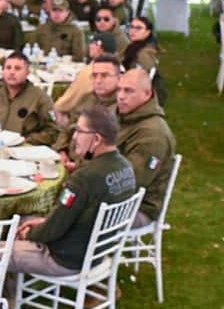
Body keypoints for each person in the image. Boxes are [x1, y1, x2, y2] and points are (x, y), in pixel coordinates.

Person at [11, 106, 137, 276]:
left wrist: (30, 234)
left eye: (79, 131)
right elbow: (62, 220)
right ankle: (10, 290)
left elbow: (54, 229)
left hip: (64, 259)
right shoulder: (126, 167)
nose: (75, 137)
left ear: (97, 139)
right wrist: (42, 223)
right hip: (94, 253)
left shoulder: (83, 179)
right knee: (24, 220)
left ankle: (3, 296)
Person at [115, 68, 177, 226]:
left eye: (129, 91)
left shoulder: (154, 135)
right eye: (119, 90)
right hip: (113, 193)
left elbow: (129, 183)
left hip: (138, 207)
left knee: (73, 212)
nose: (121, 96)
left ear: (147, 94)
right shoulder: (121, 116)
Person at [0, 52, 59, 145]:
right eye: (8, 68)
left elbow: (54, 132)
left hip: (24, 149)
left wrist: (27, 139)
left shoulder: (40, 97)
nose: (11, 72)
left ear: (28, 72)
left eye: (17, 68)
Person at [54, 53, 120, 163]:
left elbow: (110, 154)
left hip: (92, 169)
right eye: (94, 75)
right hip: (68, 158)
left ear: (119, 77)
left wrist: (77, 166)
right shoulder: (87, 98)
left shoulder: (120, 108)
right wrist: (61, 150)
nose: (98, 81)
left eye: (104, 75)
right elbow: (68, 128)